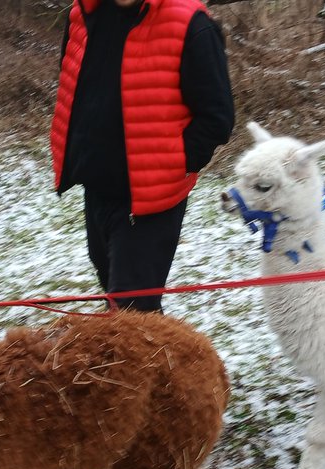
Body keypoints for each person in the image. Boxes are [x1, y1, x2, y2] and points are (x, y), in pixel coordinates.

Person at [50, 0, 234, 313]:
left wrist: (174, 163)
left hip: (151, 200)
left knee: (132, 310)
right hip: (96, 189)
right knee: (122, 303)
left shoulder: (191, 24)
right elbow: (76, 85)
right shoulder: (83, 13)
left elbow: (217, 117)